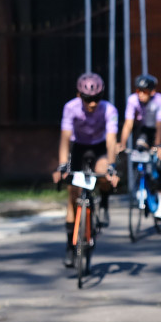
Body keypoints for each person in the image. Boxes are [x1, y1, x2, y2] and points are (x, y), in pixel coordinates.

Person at [52, 72, 121, 268]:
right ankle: (70, 245)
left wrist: (112, 167)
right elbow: (65, 138)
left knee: (103, 172)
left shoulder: (109, 110)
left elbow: (111, 140)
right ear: (78, 95)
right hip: (79, 148)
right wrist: (62, 165)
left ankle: (104, 202)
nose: (92, 103)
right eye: (87, 99)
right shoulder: (70, 108)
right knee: (73, 195)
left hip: (99, 147)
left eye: (96, 98)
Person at [120, 73, 161, 221]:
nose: (141, 94)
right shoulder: (132, 100)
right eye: (138, 90)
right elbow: (129, 123)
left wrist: (158, 146)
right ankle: (141, 185)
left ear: (152, 92)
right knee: (138, 151)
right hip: (145, 129)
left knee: (160, 163)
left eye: (145, 91)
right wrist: (122, 143)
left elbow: (159, 126)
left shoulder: (160, 100)